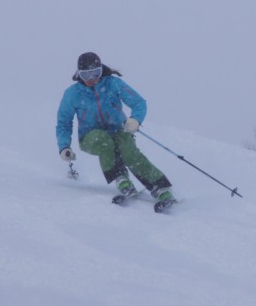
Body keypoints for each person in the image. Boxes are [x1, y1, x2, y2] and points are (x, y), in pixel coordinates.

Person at [56, 52, 175, 204]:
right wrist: (64, 146)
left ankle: (160, 187)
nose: (92, 79)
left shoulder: (113, 84)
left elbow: (139, 102)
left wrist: (135, 120)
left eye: (95, 73)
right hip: (90, 137)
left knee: (128, 150)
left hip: (119, 130)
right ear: (79, 75)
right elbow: (64, 123)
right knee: (103, 140)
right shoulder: (72, 94)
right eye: (86, 75)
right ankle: (121, 178)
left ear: (101, 70)